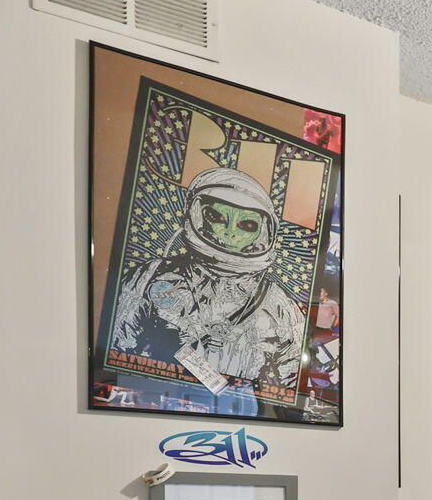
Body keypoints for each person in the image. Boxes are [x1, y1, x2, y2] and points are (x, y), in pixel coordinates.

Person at [110, 167, 303, 397]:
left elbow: (289, 387)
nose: (231, 234)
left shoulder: (278, 304)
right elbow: (115, 352)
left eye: (247, 225)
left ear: (262, 233)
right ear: (198, 216)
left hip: (234, 413)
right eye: (218, 217)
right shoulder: (152, 276)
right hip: (157, 400)